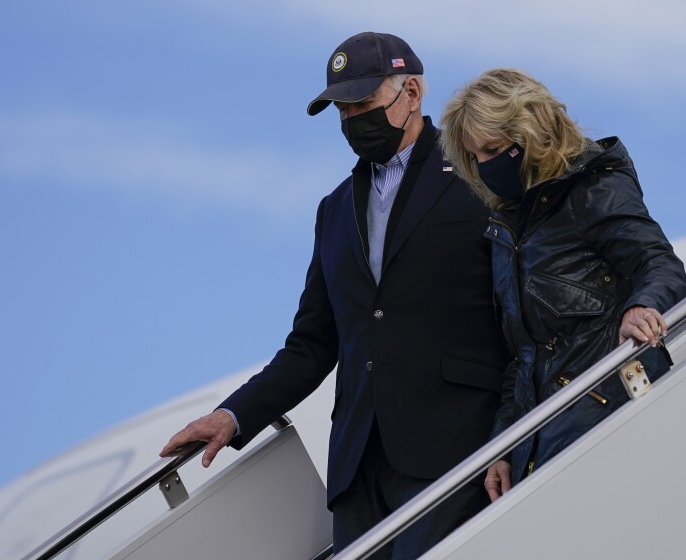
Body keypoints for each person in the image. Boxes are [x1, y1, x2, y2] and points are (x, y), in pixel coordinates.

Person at [160, 32, 509, 558]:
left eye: (363, 104)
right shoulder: (334, 209)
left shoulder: (475, 176)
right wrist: (233, 417)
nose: (352, 121)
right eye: (342, 111)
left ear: (412, 92)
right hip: (357, 471)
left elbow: (519, 310)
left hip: (457, 450)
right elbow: (312, 345)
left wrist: (511, 429)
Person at [439, 68, 686, 502]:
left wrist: (641, 307)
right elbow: (524, 355)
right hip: (540, 442)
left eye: (493, 149)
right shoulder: (507, 230)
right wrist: (502, 446)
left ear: (528, 131)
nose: (483, 165)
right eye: (474, 156)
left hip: (608, 417)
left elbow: (659, 262)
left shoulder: (593, 187)